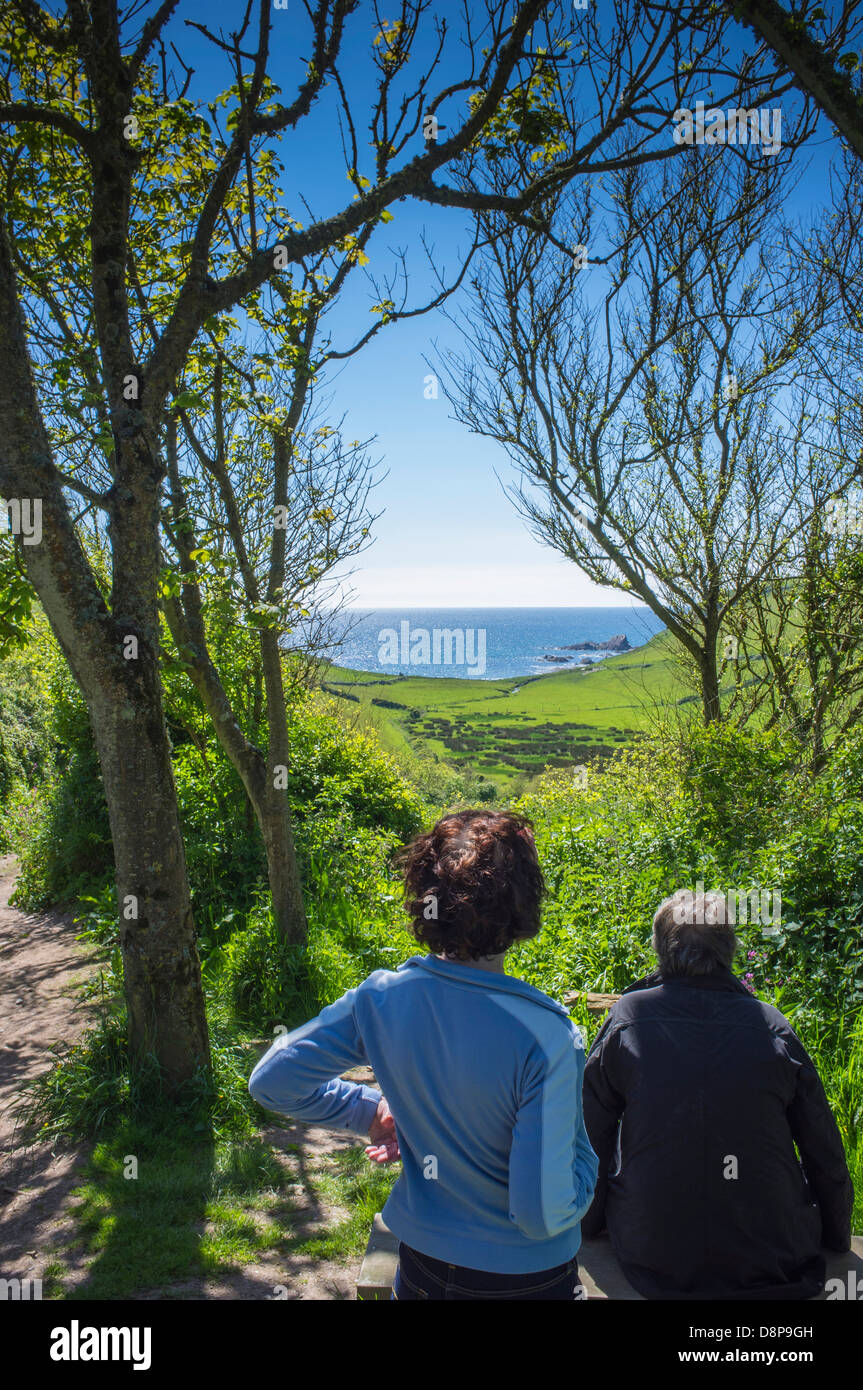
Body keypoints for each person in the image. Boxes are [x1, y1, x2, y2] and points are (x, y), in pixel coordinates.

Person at [249, 808, 598, 1301]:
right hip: (530, 1282)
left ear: (424, 900)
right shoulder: (547, 1036)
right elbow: (541, 1215)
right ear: (522, 908)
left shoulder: (379, 1000)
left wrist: (369, 1111)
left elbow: (272, 1081)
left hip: (422, 1271)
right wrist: (589, 1170)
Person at [581, 888, 854, 1300]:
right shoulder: (771, 1025)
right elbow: (823, 1149)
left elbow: (590, 1136)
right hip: (774, 1255)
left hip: (654, 1255)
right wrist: (837, 1236)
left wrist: (589, 1226)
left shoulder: (628, 1019)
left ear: (660, 949)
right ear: (729, 951)